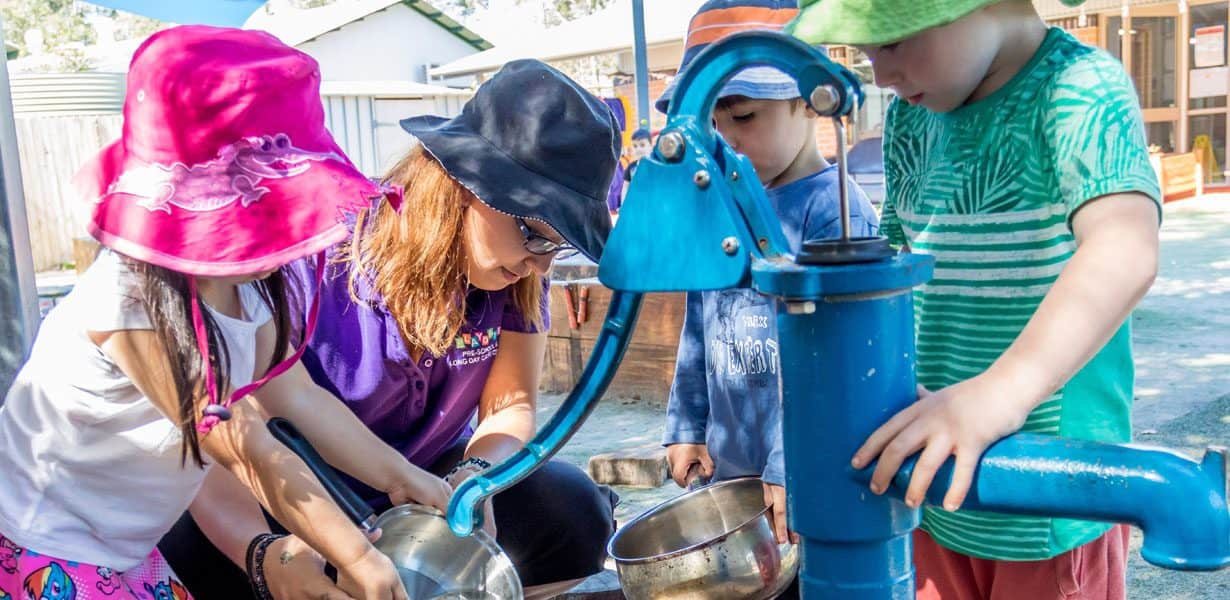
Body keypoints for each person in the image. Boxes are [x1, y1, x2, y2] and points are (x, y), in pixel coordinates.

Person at [0, 26, 453, 600]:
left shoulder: (256, 286)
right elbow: (246, 446)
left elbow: (301, 399)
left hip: (126, 549)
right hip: (48, 549)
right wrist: (359, 556)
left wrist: (404, 479)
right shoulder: (127, 299)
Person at [159, 59, 624, 600]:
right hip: (291, 486)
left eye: (556, 243)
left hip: (427, 486)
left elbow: (510, 404)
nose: (539, 265)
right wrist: (265, 551)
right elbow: (231, 433)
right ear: (461, 183)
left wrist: (478, 475)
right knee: (195, 550)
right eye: (533, 234)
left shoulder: (514, 275)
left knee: (573, 507)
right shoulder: (318, 253)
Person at [791, 1, 1162, 598]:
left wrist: (1000, 394)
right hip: (934, 478)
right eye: (864, 52)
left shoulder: (1077, 88)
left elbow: (1125, 250)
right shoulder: (914, 120)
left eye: (892, 43)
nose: (879, 76)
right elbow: (895, 273)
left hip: (1043, 496)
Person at [657, 1, 878, 594]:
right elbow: (699, 322)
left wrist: (790, 463)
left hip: (812, 472)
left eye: (745, 117)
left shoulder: (834, 212)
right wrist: (687, 421)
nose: (725, 139)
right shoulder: (718, 205)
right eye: (712, 122)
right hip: (736, 472)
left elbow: (832, 361)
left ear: (807, 103)